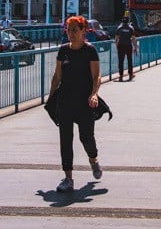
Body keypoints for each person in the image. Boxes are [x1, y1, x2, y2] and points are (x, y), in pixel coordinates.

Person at [49, 15, 103, 194]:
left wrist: (94, 94)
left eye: (74, 30)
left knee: (86, 137)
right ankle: (68, 178)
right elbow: (57, 76)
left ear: (83, 31)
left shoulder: (90, 51)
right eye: (68, 30)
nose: (71, 33)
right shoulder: (63, 50)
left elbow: (96, 76)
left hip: (85, 101)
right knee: (65, 139)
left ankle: (93, 159)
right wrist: (51, 99)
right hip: (65, 100)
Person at [114, 15, 138, 81]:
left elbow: (116, 38)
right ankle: (130, 74)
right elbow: (133, 38)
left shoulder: (119, 28)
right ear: (128, 21)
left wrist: (117, 46)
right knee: (129, 60)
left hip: (121, 45)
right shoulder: (131, 28)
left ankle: (121, 75)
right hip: (128, 46)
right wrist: (135, 47)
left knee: (121, 61)